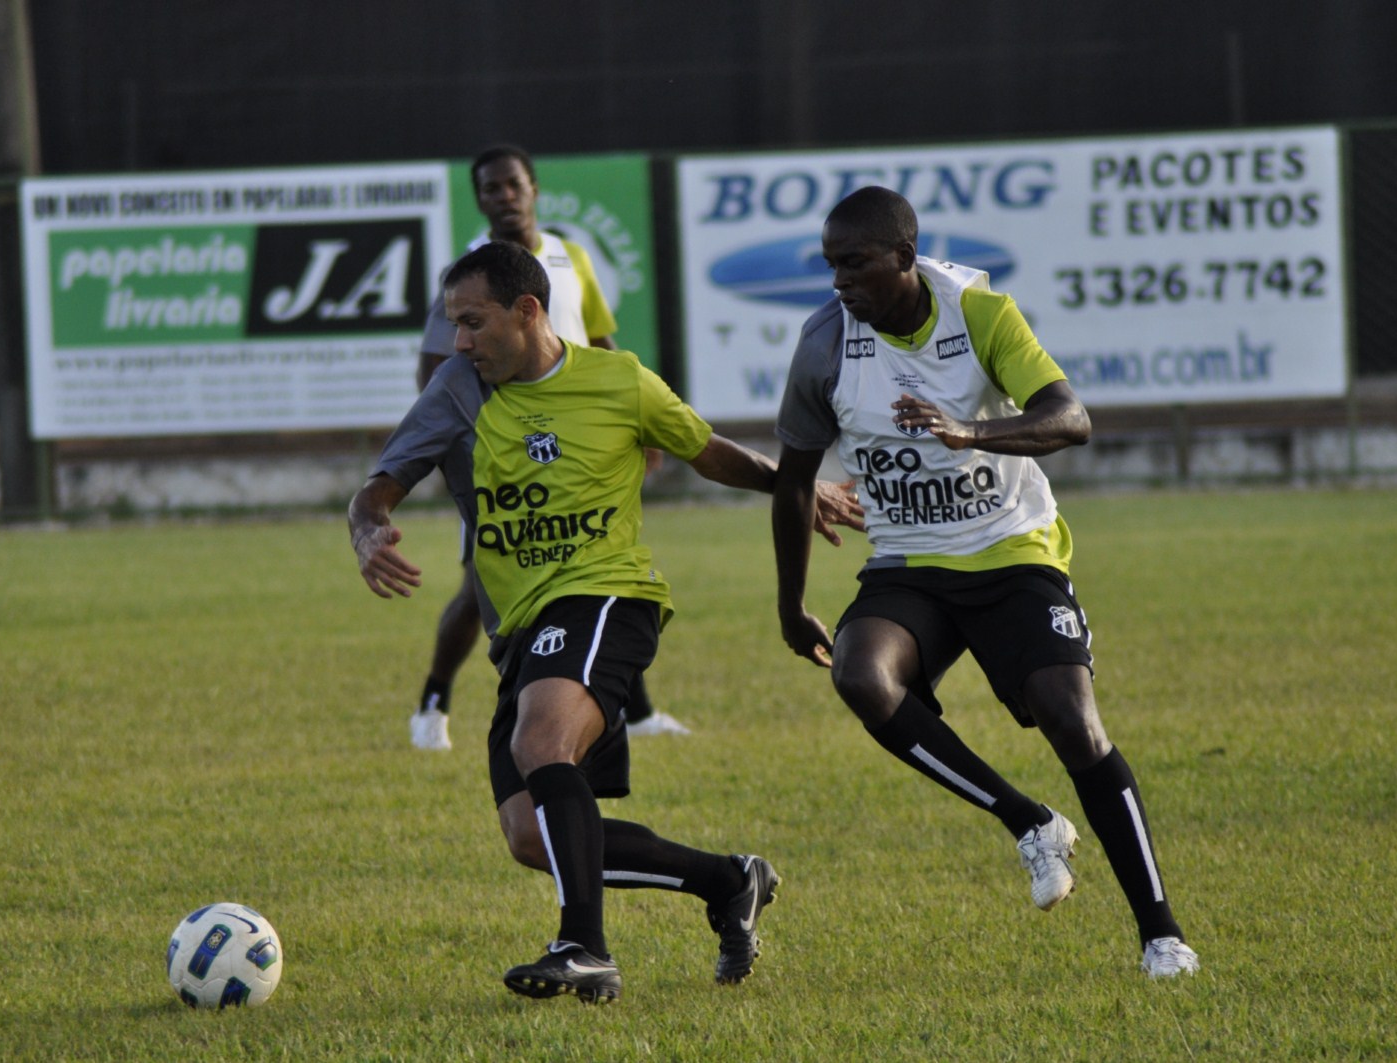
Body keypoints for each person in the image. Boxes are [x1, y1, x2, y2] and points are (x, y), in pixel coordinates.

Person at [350, 241, 861, 1002]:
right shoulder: (460, 387)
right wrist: (367, 529)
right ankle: (729, 880)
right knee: (533, 835)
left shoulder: (617, 379)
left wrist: (794, 485)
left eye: (471, 321)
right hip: (520, 626)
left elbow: (705, 449)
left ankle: (582, 945)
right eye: (453, 323)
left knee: (539, 741)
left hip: (608, 595)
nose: (457, 341)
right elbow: (380, 485)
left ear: (528, 311)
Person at [770, 186, 1200, 979]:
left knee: (1073, 722)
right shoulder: (825, 344)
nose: (840, 284)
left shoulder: (979, 312)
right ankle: (1029, 822)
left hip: (1011, 551)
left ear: (904, 258)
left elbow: (1070, 418)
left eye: (856, 264)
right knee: (862, 674)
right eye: (831, 267)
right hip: (908, 562)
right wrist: (792, 602)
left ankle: (1162, 934)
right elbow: (795, 479)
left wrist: (972, 431)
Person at [409, 143, 688, 751]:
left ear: (534, 188)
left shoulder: (571, 257)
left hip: (583, 446)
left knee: (598, 570)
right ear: (479, 200)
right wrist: (444, 449)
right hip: (508, 456)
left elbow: (602, 341)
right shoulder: (470, 276)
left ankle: (631, 711)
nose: (503, 197)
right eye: (489, 189)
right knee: (477, 587)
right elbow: (436, 368)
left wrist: (641, 424)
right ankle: (433, 700)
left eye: (512, 184)